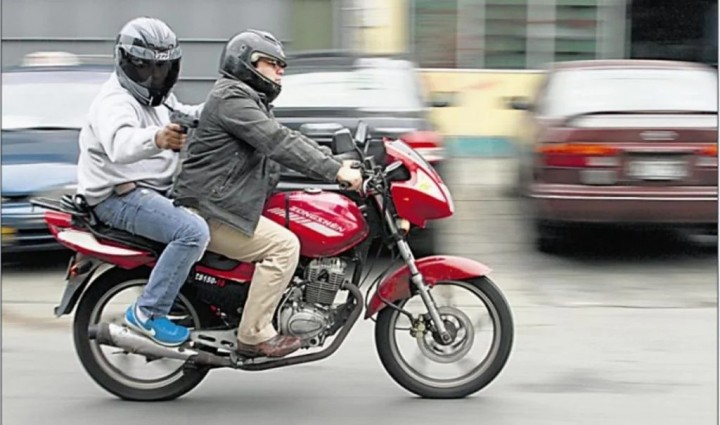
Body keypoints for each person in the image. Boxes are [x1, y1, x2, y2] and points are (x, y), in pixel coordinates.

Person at [172, 29, 363, 358]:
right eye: (272, 64)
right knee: (285, 247)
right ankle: (253, 334)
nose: (280, 71)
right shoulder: (232, 99)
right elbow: (277, 142)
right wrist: (335, 171)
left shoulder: (246, 100)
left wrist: (337, 163)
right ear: (247, 64)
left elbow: (285, 139)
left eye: (281, 65)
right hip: (210, 208)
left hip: (225, 202)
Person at [76, 17, 210, 347]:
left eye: (163, 69)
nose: (155, 76)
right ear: (126, 62)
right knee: (192, 232)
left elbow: (185, 115)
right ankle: (147, 313)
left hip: (152, 188)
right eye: (147, 68)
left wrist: (227, 108)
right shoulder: (115, 101)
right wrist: (158, 138)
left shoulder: (157, 97)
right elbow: (120, 144)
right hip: (118, 197)